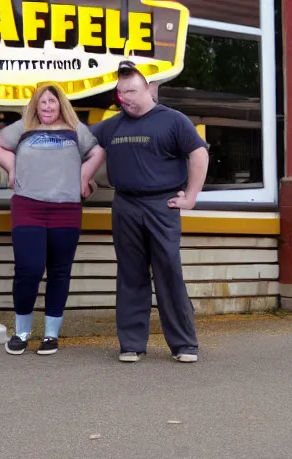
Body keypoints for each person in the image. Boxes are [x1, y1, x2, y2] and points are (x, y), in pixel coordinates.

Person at [91, 61, 209, 363]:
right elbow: (85, 144)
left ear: (149, 89)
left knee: (169, 272)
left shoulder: (173, 121)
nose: (124, 97)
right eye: (120, 92)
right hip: (125, 205)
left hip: (162, 205)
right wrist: (82, 176)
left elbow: (199, 153)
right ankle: (131, 345)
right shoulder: (113, 125)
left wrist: (192, 196)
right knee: (130, 275)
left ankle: (184, 345)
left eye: (130, 90)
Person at [0, 84, 105, 356]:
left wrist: (83, 177)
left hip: (66, 208)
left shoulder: (75, 130)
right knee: (29, 270)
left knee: (59, 271)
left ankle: (50, 335)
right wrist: (10, 166)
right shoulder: (23, 128)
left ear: (61, 105)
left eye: (52, 101)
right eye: (42, 102)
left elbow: (98, 153)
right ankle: (22, 332)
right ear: (35, 105)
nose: (47, 106)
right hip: (28, 207)